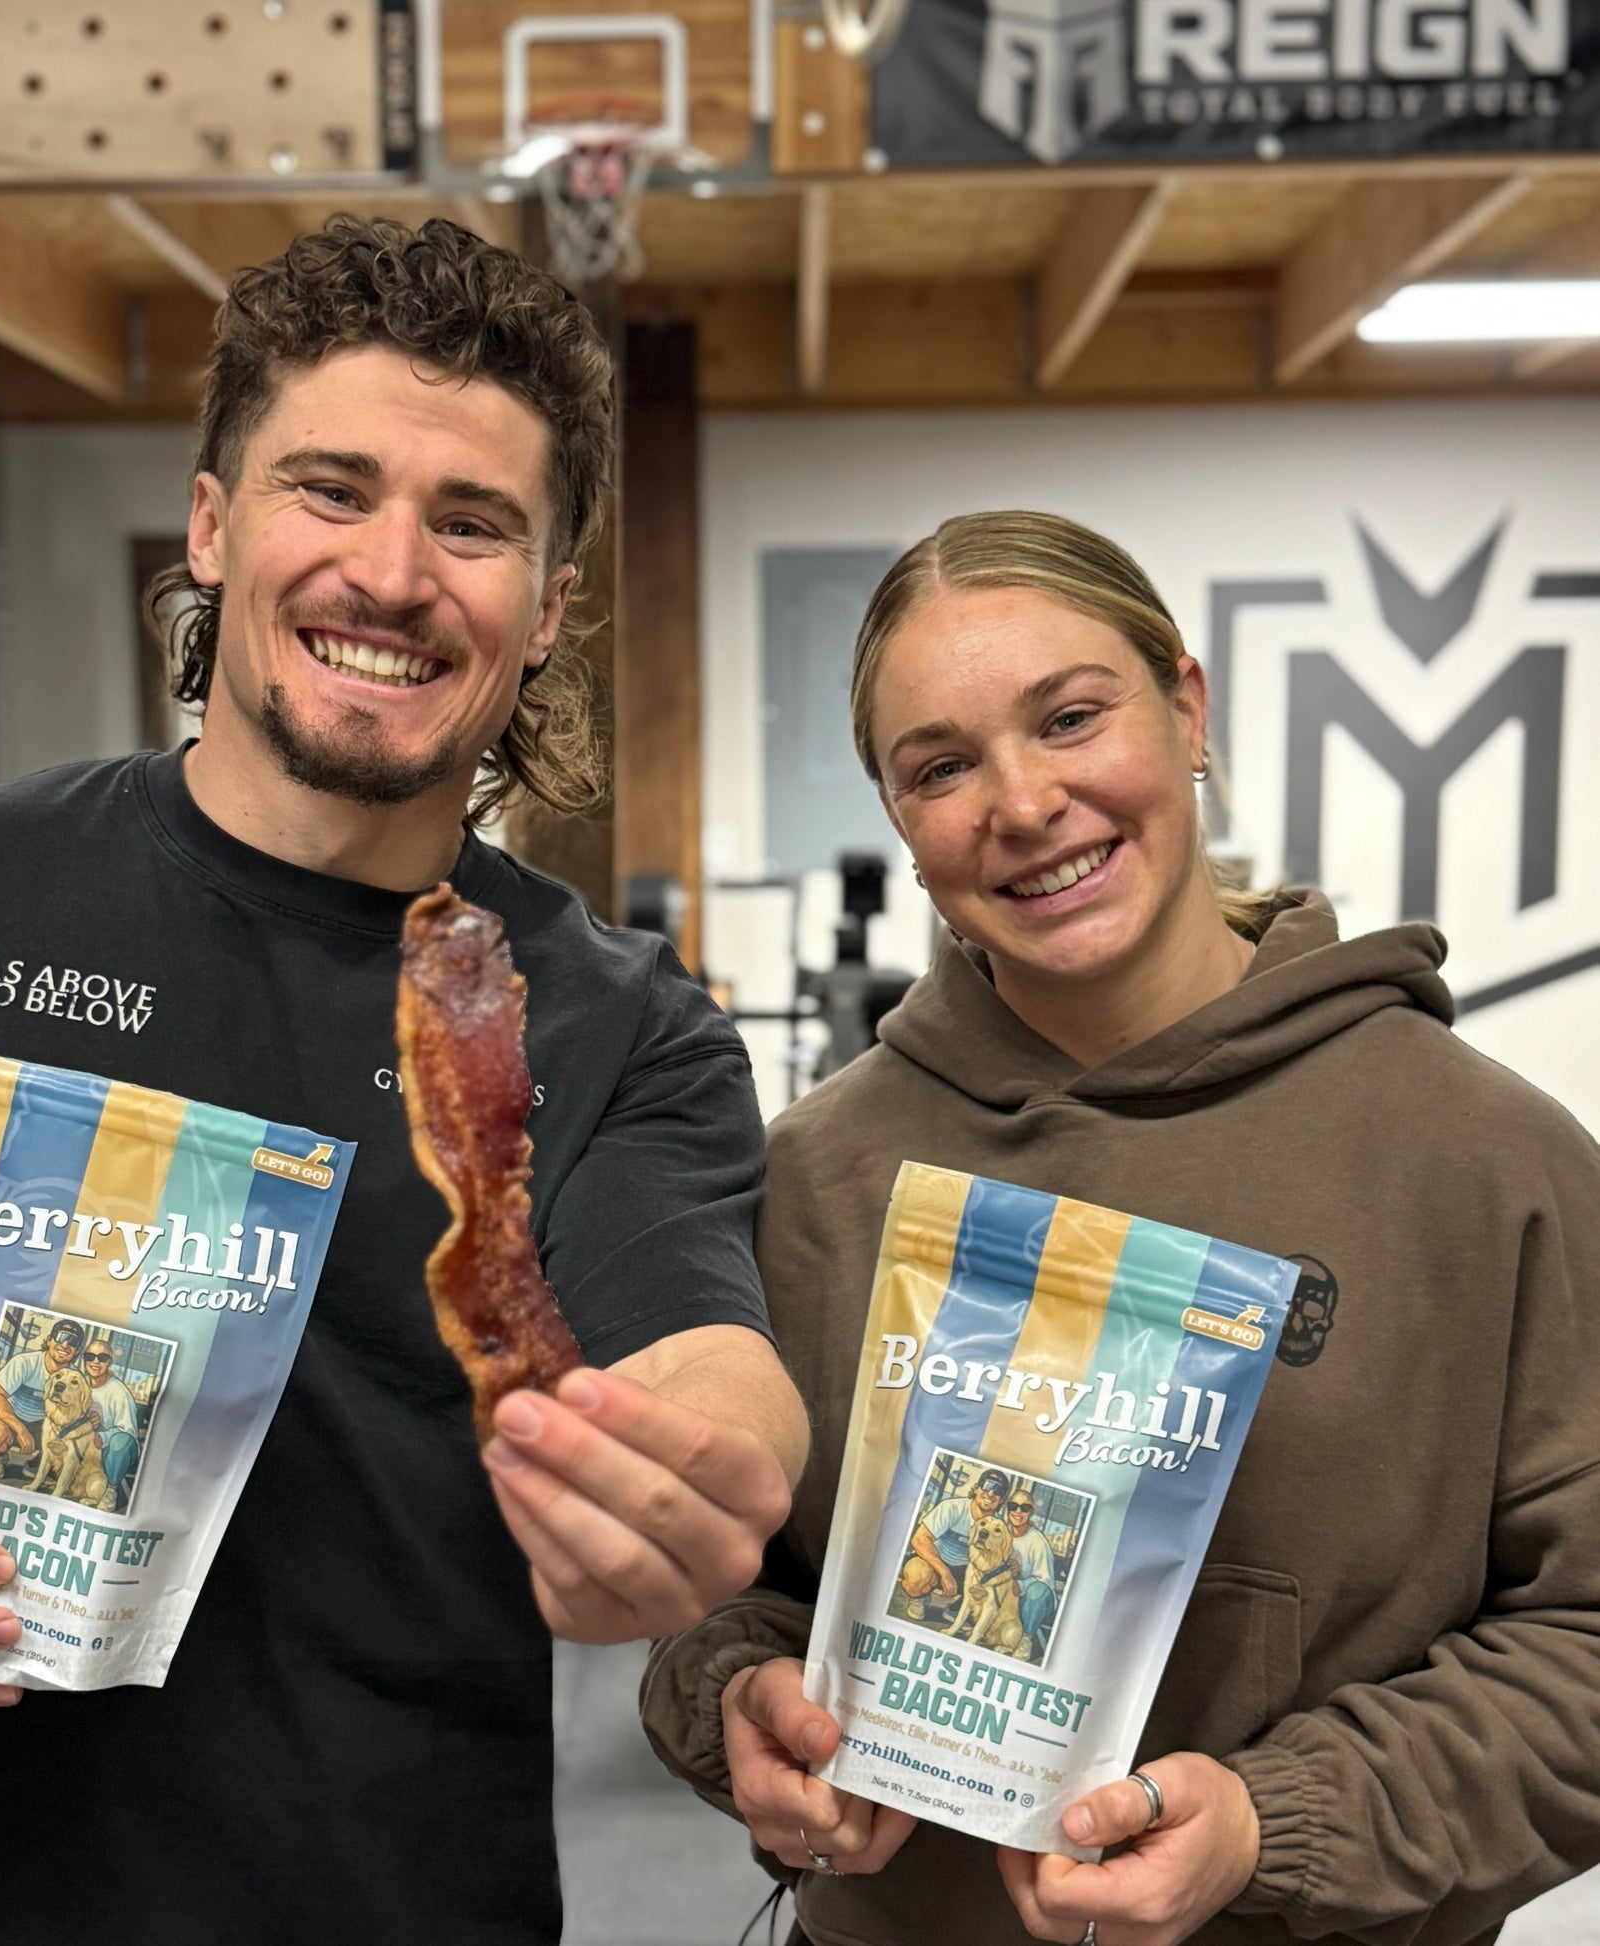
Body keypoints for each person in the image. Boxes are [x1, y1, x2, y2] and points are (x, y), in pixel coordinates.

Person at [0, 214, 806, 1946]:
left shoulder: (609, 1018)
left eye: (474, 523)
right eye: (329, 489)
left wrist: (707, 1475)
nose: (396, 573)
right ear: (213, 522)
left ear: (550, 606)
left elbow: (701, 1344)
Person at [642, 510, 1600, 1946]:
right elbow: (722, 1601)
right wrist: (740, 1709)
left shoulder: (1485, 1164)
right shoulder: (813, 1182)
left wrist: (1280, 1820)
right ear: (898, 819)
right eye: (941, 766)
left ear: (1186, 706)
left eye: (1070, 715)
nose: (1020, 803)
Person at [0, 1316, 84, 1482]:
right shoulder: (24, 1362)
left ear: (76, 1351)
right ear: (50, 1341)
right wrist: (20, 1429)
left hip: (43, 1427)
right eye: (61, 1337)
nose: (65, 1345)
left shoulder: (75, 1378)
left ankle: (38, 1463)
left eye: (73, 1342)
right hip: (10, 1421)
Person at [897, 1463, 1008, 1618]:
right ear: (976, 1488)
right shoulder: (952, 1507)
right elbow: (919, 1539)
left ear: (1001, 1500)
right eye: (987, 1485)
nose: (990, 1493)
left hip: (966, 1573)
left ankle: (957, 1608)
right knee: (916, 1576)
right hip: (936, 1563)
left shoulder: (998, 1527)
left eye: (998, 1490)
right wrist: (944, 1572)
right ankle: (919, 1599)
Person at [80, 1335, 140, 1512]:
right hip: (86, 1446)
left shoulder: (118, 1391)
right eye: (90, 1356)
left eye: (102, 1358)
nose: (95, 1362)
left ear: (110, 1362)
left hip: (114, 1450)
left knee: (121, 1441)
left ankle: (111, 1491)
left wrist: (103, 1436)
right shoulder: (78, 1382)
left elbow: (128, 1431)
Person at [1003, 1481, 1058, 1660]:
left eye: (1024, 1508)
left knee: (1036, 1592)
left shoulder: (1037, 1541)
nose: (1018, 1512)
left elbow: (1045, 1582)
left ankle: (1026, 1639)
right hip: (1009, 1595)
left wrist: (1022, 1584)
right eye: (1013, 1506)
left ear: (1031, 1512)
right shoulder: (1001, 1532)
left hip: (1036, 1599)